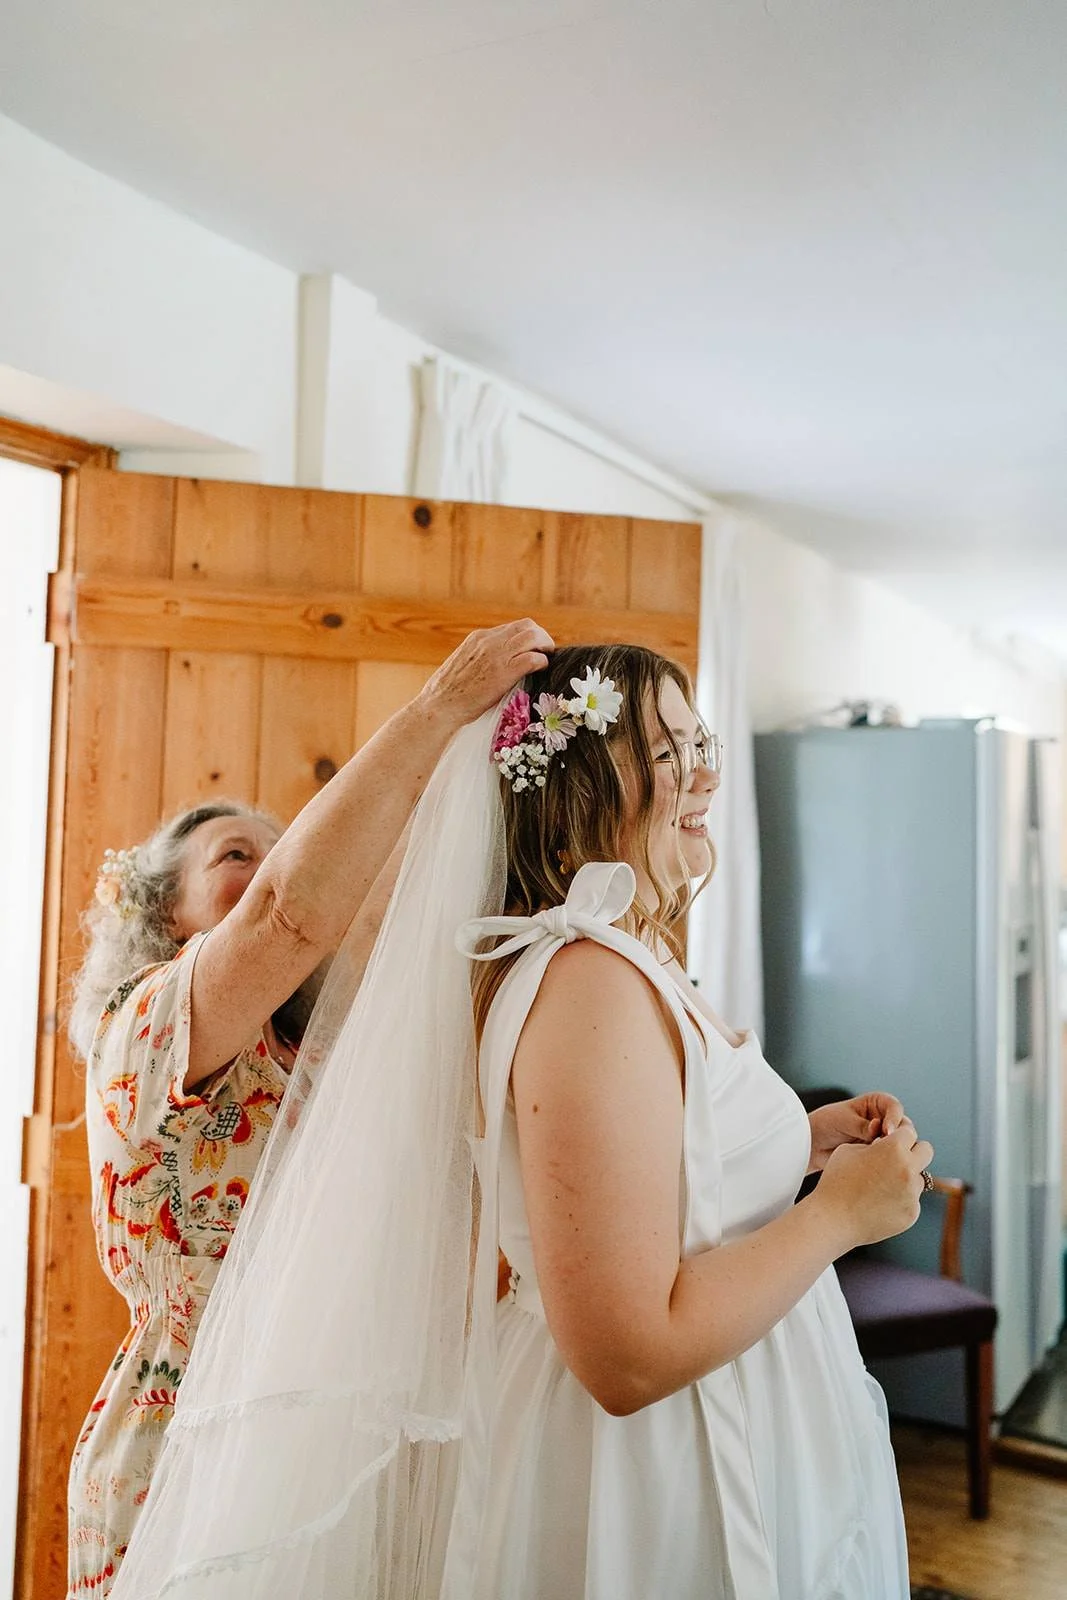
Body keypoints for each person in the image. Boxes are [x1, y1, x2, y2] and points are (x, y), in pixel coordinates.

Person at [110, 642, 931, 1600]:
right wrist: (837, 1218)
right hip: (625, 1454)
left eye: (694, 741)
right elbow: (622, 1347)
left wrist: (794, 1139)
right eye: (665, 751)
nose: (704, 770)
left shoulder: (608, 960)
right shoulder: (580, 977)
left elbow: (634, 1165)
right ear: (576, 781)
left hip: (672, 1402)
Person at [64, 618, 554, 1599]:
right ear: (165, 914)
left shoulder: (329, 1055)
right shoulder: (143, 1026)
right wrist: (437, 705)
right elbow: (291, 911)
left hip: (345, 1448)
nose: (271, 865)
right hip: (189, 1452)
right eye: (235, 855)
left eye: (277, 846)